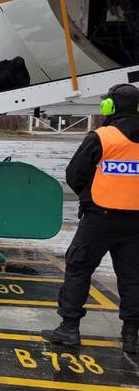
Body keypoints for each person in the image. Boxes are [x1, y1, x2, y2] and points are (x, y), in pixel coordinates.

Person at [42, 83, 139, 353]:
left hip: (101, 216)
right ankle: (131, 337)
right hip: (136, 221)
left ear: (109, 106)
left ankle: (69, 328)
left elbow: (75, 174)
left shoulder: (103, 136)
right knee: (133, 278)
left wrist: (90, 196)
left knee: (79, 269)